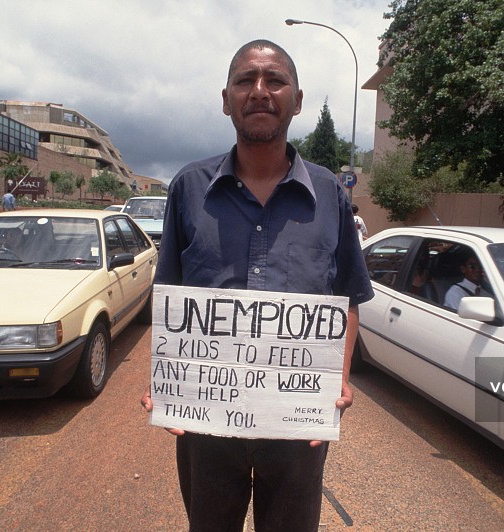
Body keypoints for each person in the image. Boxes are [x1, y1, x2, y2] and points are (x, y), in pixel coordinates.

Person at [140, 39, 374, 531]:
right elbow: (171, 300)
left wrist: (340, 378)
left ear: (298, 99)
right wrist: (168, 380)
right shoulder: (187, 188)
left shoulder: (331, 193)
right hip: (206, 426)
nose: (260, 91)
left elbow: (348, 297)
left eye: (275, 80)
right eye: (246, 80)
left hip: (297, 424)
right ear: (226, 99)